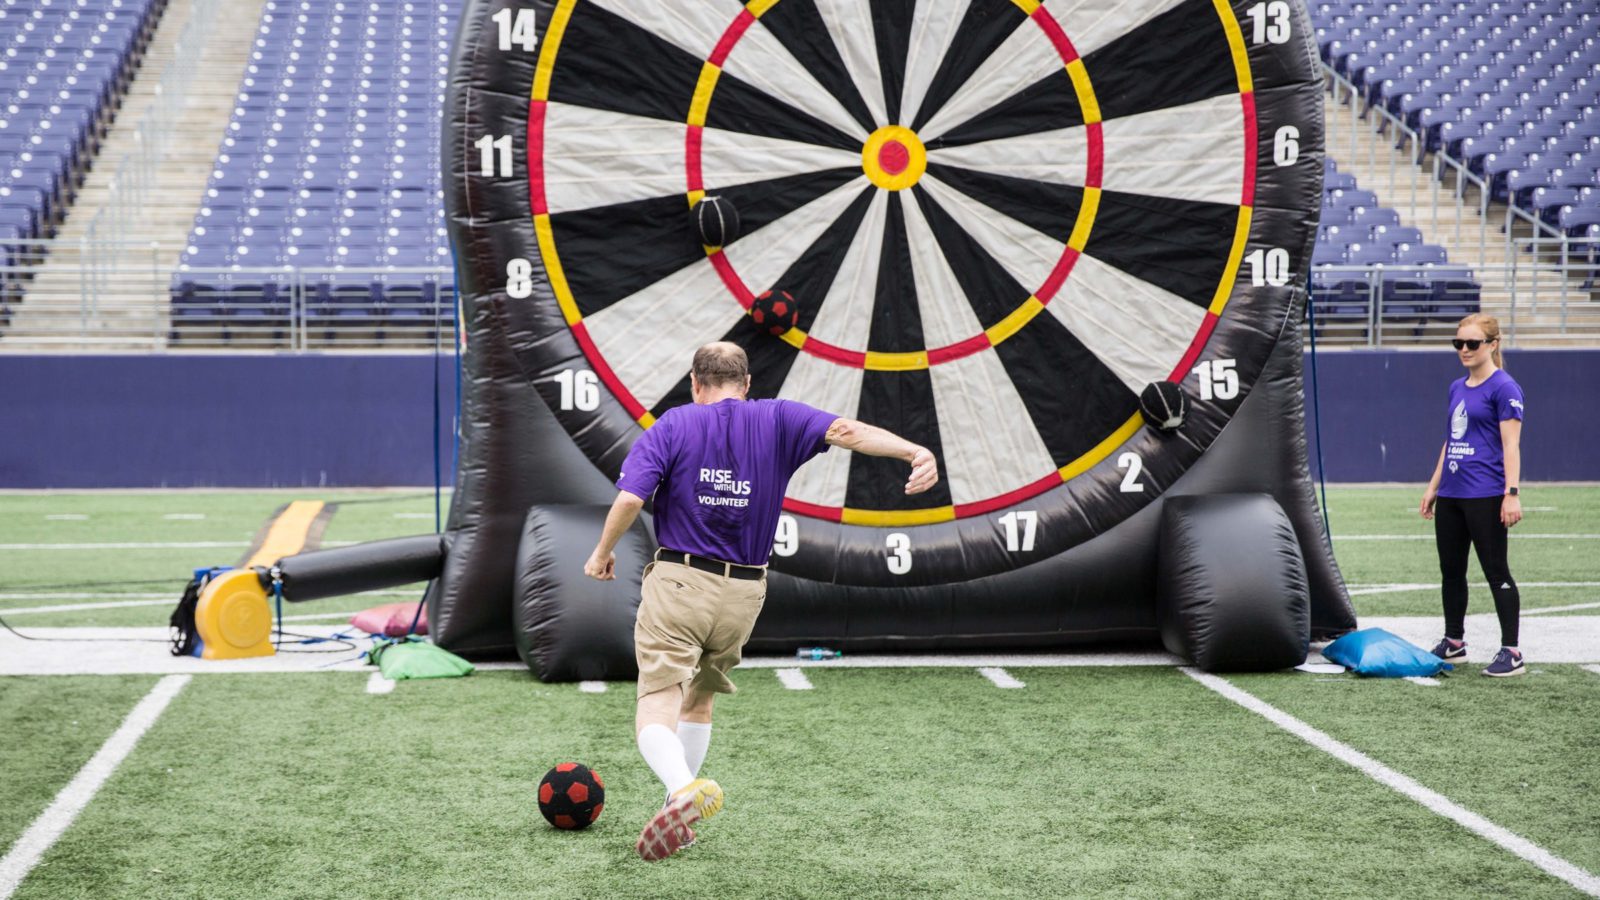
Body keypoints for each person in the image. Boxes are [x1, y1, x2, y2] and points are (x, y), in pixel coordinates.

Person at [583, 341, 939, 861]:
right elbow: (850, 432)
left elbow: (632, 498)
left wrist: (601, 553)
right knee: (699, 699)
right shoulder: (779, 418)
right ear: (746, 383)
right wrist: (914, 451)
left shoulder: (674, 424)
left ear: (695, 382)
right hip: (745, 593)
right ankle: (677, 813)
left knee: (656, 702)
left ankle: (682, 788)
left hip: (681, 583)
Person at [1420, 313, 1525, 676]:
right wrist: (1434, 486)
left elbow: (1511, 445)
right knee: (1451, 572)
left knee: (1496, 571)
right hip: (1453, 492)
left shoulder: (1504, 388)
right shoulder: (1456, 387)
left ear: (1492, 345)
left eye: (1472, 343)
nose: (1464, 349)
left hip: (1486, 493)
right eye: (1458, 343)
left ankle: (1511, 652)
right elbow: (1452, 440)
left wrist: (1511, 493)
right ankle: (1454, 642)